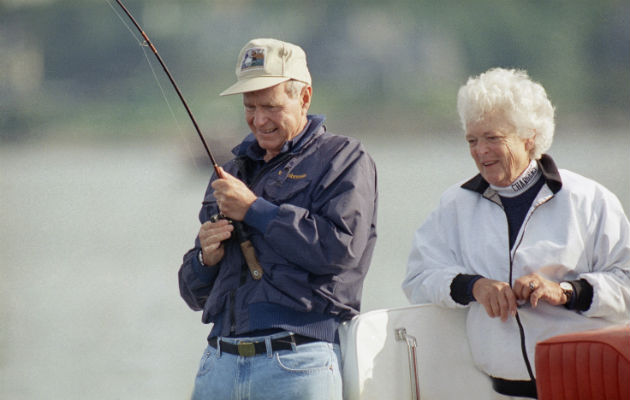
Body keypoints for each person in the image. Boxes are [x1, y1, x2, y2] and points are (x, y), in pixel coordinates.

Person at [402, 67, 630, 399]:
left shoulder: (590, 199)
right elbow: (418, 278)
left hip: (586, 385)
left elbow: (626, 281)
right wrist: (473, 286)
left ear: (530, 137)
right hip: (502, 392)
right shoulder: (454, 204)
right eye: (472, 140)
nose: (480, 151)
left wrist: (565, 291)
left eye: (492, 138)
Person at [178, 38, 378, 400]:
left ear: (304, 97)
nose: (258, 119)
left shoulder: (344, 158)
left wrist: (254, 209)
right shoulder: (231, 171)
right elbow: (192, 293)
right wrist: (204, 259)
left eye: (270, 106)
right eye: (250, 107)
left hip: (298, 365)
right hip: (217, 365)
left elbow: (339, 250)